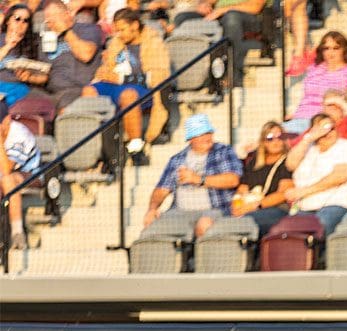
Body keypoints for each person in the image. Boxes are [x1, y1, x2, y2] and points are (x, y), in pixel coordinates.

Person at [81, 8, 168, 166]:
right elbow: (109, 67)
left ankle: (136, 148)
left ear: (134, 25)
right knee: (89, 90)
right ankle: (96, 146)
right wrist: (103, 73)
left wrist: (121, 78)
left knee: (128, 95)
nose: (119, 34)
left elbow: (159, 76)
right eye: (116, 30)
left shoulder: (154, 42)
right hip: (116, 85)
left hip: (142, 89)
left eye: (122, 29)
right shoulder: (117, 42)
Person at [143, 114, 241, 234]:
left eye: (208, 133)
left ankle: (199, 252)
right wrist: (152, 209)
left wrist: (199, 179)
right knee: (153, 228)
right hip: (180, 212)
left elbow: (233, 180)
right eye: (201, 134)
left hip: (215, 209)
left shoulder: (223, 152)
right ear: (191, 139)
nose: (207, 137)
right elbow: (162, 189)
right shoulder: (177, 159)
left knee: (204, 225)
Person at [194, 120, 293, 237]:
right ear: (263, 141)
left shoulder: (288, 161)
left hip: (275, 209)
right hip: (248, 207)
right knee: (205, 222)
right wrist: (238, 205)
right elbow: (242, 188)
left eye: (279, 137)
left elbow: (283, 194)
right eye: (270, 137)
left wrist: (255, 206)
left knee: (242, 222)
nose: (275, 141)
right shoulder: (255, 163)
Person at [284, 113, 347, 235]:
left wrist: (303, 192)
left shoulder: (346, 145)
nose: (327, 133)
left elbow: (339, 176)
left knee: (318, 227)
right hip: (305, 206)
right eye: (322, 129)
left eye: (331, 128)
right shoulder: (309, 148)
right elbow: (290, 164)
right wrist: (307, 138)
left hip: (335, 204)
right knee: (286, 232)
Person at [20, 0, 103, 108]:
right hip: (51, 93)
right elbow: (46, 74)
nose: (48, 21)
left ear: (67, 14)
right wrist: (31, 77)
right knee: (22, 104)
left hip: (77, 89)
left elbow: (86, 55)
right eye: (47, 18)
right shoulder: (46, 38)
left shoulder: (87, 29)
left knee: (62, 103)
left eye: (53, 17)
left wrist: (65, 32)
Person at [282, 31, 347, 135]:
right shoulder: (315, 68)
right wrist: (295, 114)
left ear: (344, 49)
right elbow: (307, 97)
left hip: (324, 120)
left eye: (335, 48)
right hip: (301, 116)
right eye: (326, 48)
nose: (330, 52)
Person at [1, 104, 38, 250]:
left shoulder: (19, 133)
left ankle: (17, 233)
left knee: (8, 180)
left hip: (31, 173)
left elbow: (6, 170)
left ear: (7, 119)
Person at [0, 4, 42, 105]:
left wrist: (29, 77)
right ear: (8, 20)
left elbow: (43, 76)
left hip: (19, 89)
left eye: (25, 20)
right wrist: (8, 45)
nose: (21, 23)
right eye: (17, 18)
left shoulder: (33, 44)